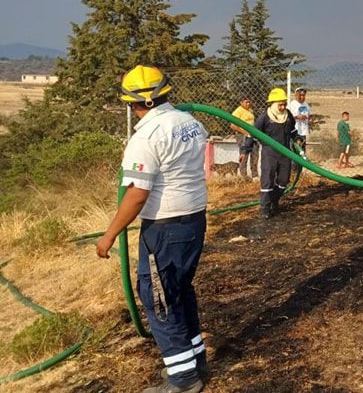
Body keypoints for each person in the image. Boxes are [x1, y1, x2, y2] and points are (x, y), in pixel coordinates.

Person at [96, 65, 209, 393]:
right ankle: (194, 362)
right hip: (194, 219)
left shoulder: (146, 136)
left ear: (134, 103)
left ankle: (184, 379)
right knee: (180, 290)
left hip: (165, 227)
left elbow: (136, 195)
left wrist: (109, 235)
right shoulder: (190, 122)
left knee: (159, 297)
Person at [254, 88, 297, 218]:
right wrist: (246, 149)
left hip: (285, 153)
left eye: (284, 103)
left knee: (283, 181)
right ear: (272, 103)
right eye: (280, 104)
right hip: (269, 153)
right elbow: (254, 134)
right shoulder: (264, 118)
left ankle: (274, 200)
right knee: (267, 180)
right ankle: (265, 208)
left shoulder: (287, 115)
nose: (283, 106)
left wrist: (298, 138)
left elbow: (293, 130)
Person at [229, 97, 258, 179]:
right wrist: (245, 132)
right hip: (242, 135)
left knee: (255, 154)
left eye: (249, 102)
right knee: (244, 155)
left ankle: (255, 175)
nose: (248, 104)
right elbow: (233, 126)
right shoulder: (237, 112)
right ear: (241, 102)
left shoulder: (250, 111)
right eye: (246, 102)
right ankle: (244, 176)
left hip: (252, 135)